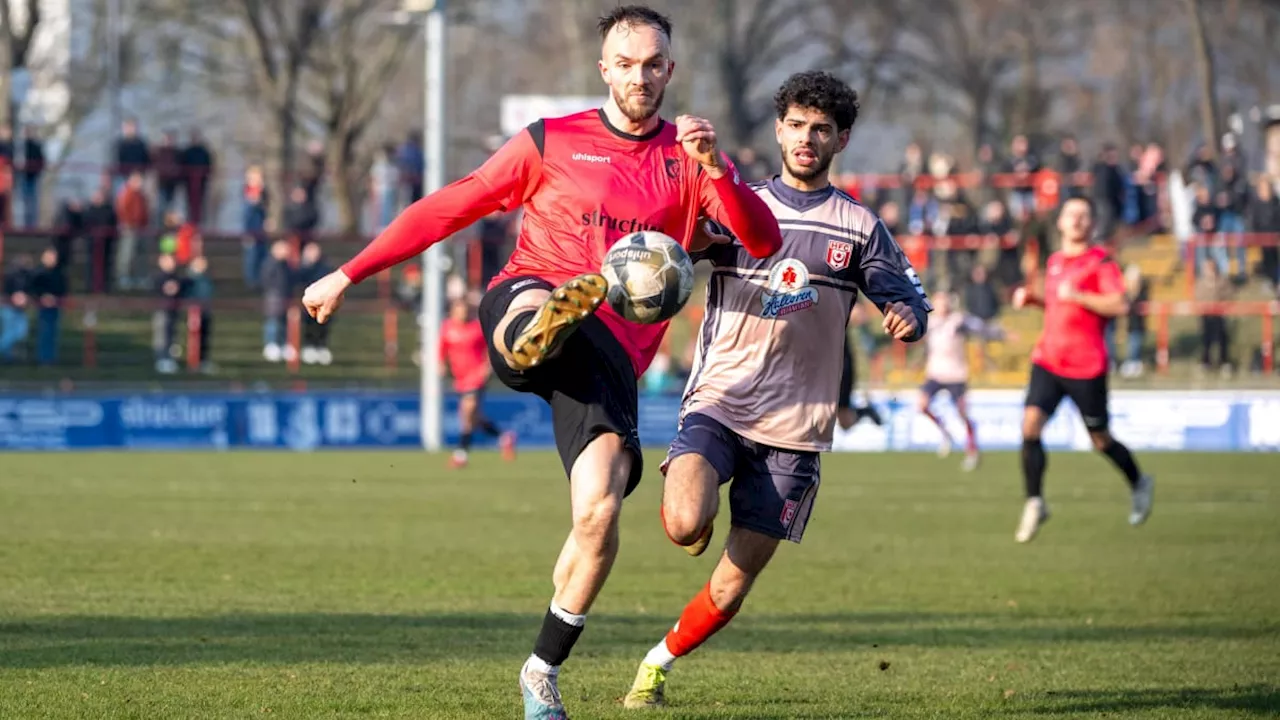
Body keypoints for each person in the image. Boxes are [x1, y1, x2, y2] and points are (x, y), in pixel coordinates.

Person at [300, 7, 782, 719]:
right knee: (541, 312)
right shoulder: (552, 142)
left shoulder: (691, 157)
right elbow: (451, 206)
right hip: (533, 293)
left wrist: (717, 170)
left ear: (670, 71)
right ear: (605, 70)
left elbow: (761, 241)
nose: (641, 76)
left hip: (612, 358)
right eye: (627, 63)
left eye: (654, 64)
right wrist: (349, 273)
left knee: (599, 514)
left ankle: (539, 673)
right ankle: (542, 326)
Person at [620, 71, 929, 709]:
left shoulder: (859, 227)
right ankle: (691, 506)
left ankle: (657, 663)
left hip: (798, 429)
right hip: (721, 400)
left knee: (731, 587)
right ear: (779, 129)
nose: (806, 138)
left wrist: (907, 318)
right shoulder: (737, 203)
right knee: (683, 524)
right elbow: (672, 250)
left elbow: (909, 298)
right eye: (795, 125)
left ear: (841, 138)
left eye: (821, 129)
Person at [1010, 196, 1154, 544]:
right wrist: (1033, 300)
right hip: (1048, 359)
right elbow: (1057, 304)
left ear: (1091, 225)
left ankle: (1138, 481)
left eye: (1083, 215)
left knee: (1100, 439)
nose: (1076, 220)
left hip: (1086, 366)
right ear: (1060, 222)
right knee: (1030, 426)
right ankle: (1035, 502)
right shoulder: (1056, 261)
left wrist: (1080, 296)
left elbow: (1119, 303)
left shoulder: (1101, 261)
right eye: (1071, 214)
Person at [915, 290, 1004, 471]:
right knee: (922, 405)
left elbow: (980, 329)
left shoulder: (958, 321)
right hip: (935, 373)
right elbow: (924, 343)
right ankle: (945, 432)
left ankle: (972, 451)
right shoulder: (931, 322)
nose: (942, 305)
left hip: (956, 374)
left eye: (944, 302)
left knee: (962, 413)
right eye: (939, 302)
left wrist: (1000, 334)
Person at [440, 296, 517, 468]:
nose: (462, 313)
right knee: (473, 418)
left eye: (465, 310)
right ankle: (504, 437)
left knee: (467, 413)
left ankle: (461, 455)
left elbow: (490, 348)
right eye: (459, 310)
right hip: (460, 378)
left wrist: (487, 367)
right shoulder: (447, 328)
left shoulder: (477, 328)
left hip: (476, 376)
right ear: (453, 311)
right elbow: (441, 349)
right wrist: (441, 365)